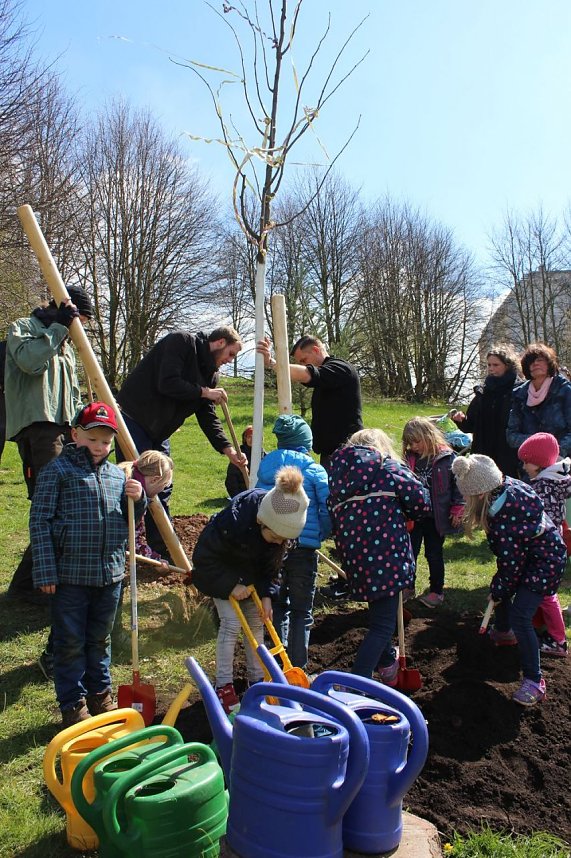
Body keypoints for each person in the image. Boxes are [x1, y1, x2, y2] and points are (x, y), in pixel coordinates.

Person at [29, 402, 146, 727]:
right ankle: (73, 703)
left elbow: (127, 521)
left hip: (108, 575)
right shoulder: (57, 471)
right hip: (70, 577)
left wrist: (138, 499)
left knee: (99, 639)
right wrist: (46, 570)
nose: (100, 447)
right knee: (69, 643)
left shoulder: (115, 475)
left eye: (106, 441)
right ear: (74, 434)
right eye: (92, 439)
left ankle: (100, 696)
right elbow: (40, 522)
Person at [116, 325, 247, 552]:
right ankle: (120, 541)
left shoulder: (211, 375)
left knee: (163, 485)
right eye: (231, 354)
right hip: (133, 420)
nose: (230, 360)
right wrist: (205, 392)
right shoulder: (181, 343)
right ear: (219, 342)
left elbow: (207, 415)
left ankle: (162, 547)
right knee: (137, 481)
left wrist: (228, 450)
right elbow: (167, 382)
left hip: (160, 432)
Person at [4, 285, 93, 613]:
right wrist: (58, 328)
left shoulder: (66, 346)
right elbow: (30, 362)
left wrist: (90, 424)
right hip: (39, 432)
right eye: (79, 321)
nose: (78, 330)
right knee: (53, 508)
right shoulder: (25, 328)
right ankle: (30, 588)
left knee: (66, 507)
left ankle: (33, 585)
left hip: (65, 432)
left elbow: (71, 396)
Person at [452, 454, 566, 706]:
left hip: (544, 562)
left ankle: (535, 681)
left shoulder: (505, 517)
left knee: (521, 615)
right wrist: (501, 587)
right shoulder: (507, 487)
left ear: (479, 494)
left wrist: (499, 588)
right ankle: (504, 634)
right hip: (530, 555)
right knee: (502, 590)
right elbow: (511, 563)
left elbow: (511, 566)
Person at [192, 466, 309, 713]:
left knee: (257, 623)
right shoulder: (231, 522)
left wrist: (268, 594)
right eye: (276, 538)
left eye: (283, 541)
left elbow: (272, 568)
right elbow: (204, 560)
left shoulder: (277, 534)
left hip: (251, 580)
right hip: (221, 575)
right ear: (261, 522)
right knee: (232, 623)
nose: (280, 543)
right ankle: (223, 685)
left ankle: (257, 681)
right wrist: (230, 585)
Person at [327, 429, 431, 683]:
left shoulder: (338, 478)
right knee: (383, 625)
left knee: (379, 615)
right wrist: (406, 513)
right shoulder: (388, 468)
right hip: (388, 554)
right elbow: (421, 502)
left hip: (356, 558)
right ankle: (356, 686)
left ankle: (387, 666)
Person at [256, 414, 331, 669]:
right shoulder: (314, 470)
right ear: (305, 443)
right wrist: (321, 533)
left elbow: (259, 500)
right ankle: (297, 668)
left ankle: (278, 664)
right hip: (303, 548)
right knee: (302, 610)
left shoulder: (267, 466)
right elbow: (325, 507)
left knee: (277, 604)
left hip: (271, 545)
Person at [257, 335, 363, 470]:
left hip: (348, 451)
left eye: (303, 360)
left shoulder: (340, 368)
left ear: (315, 350)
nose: (303, 365)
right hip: (332, 452)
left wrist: (272, 363)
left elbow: (308, 374)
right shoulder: (327, 378)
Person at [402, 417, 465, 607]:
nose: (414, 446)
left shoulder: (446, 458)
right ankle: (408, 586)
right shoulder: (408, 459)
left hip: (436, 518)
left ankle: (436, 591)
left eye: (417, 441)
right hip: (414, 516)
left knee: (434, 554)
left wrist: (457, 509)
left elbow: (458, 486)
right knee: (409, 552)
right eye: (410, 443)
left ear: (429, 436)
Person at [518, 433, 570, 657]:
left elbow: (541, 520)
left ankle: (558, 640)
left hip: (545, 547)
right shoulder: (553, 481)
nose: (523, 465)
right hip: (552, 545)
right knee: (542, 591)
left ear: (539, 463)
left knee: (546, 594)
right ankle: (541, 627)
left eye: (526, 461)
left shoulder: (544, 488)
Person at [451, 344, 522, 477]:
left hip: (508, 455)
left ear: (507, 365)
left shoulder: (519, 391)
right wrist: (461, 420)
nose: (491, 369)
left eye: (496, 365)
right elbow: (470, 425)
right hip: (483, 454)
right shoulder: (483, 392)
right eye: (489, 365)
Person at [507, 342, 571, 460]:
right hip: (530, 464)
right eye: (531, 361)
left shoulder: (565, 390)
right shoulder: (519, 395)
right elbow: (511, 435)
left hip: (562, 462)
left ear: (549, 363)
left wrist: (556, 452)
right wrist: (538, 445)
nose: (535, 363)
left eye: (540, 360)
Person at [118, 450, 174, 564]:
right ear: (155, 479)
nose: (163, 490)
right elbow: (134, 542)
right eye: (165, 485)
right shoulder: (135, 496)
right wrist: (156, 561)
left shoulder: (121, 475)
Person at [224, 424, 262, 498]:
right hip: (242, 492)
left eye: (254, 437)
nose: (252, 440)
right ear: (245, 439)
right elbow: (231, 480)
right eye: (249, 437)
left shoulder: (264, 455)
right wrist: (237, 497)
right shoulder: (239, 456)